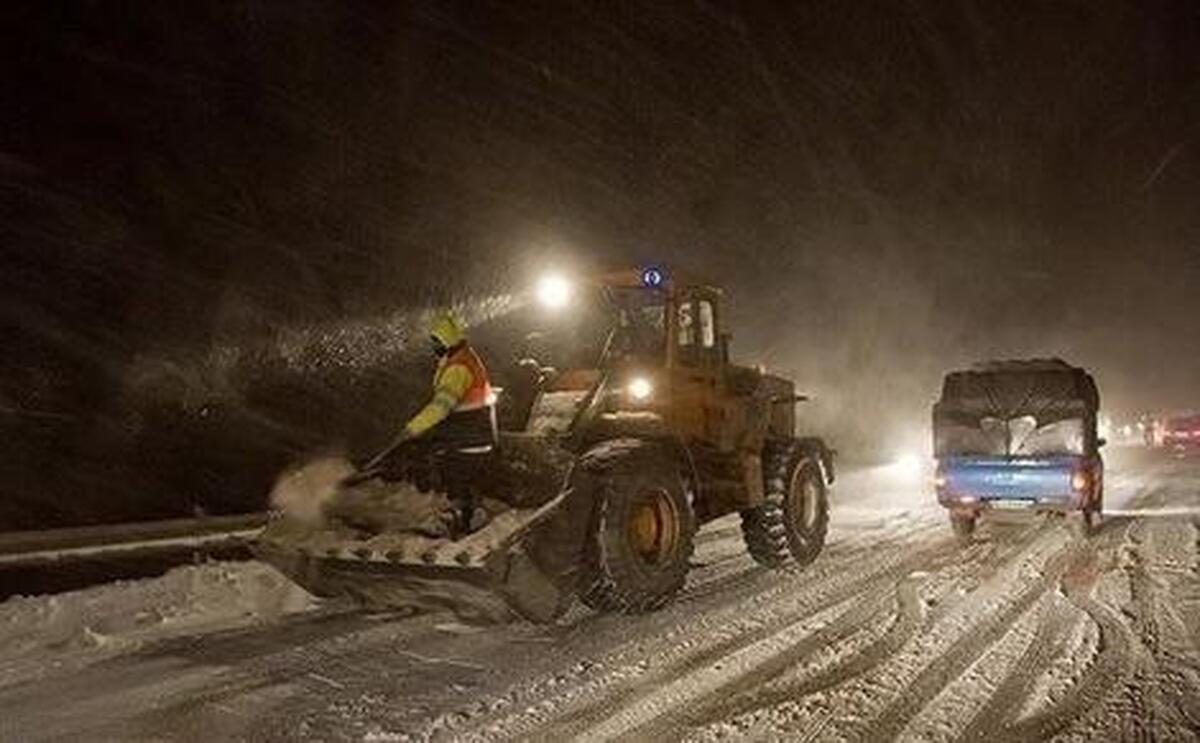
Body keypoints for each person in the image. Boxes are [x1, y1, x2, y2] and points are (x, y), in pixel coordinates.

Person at [379, 313, 498, 533]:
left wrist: (412, 428)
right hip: (473, 432)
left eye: (436, 341)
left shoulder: (458, 368)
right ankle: (465, 512)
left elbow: (441, 406)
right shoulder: (461, 357)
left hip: (469, 435)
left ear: (447, 340)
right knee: (452, 469)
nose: (433, 346)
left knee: (453, 470)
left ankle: (458, 517)